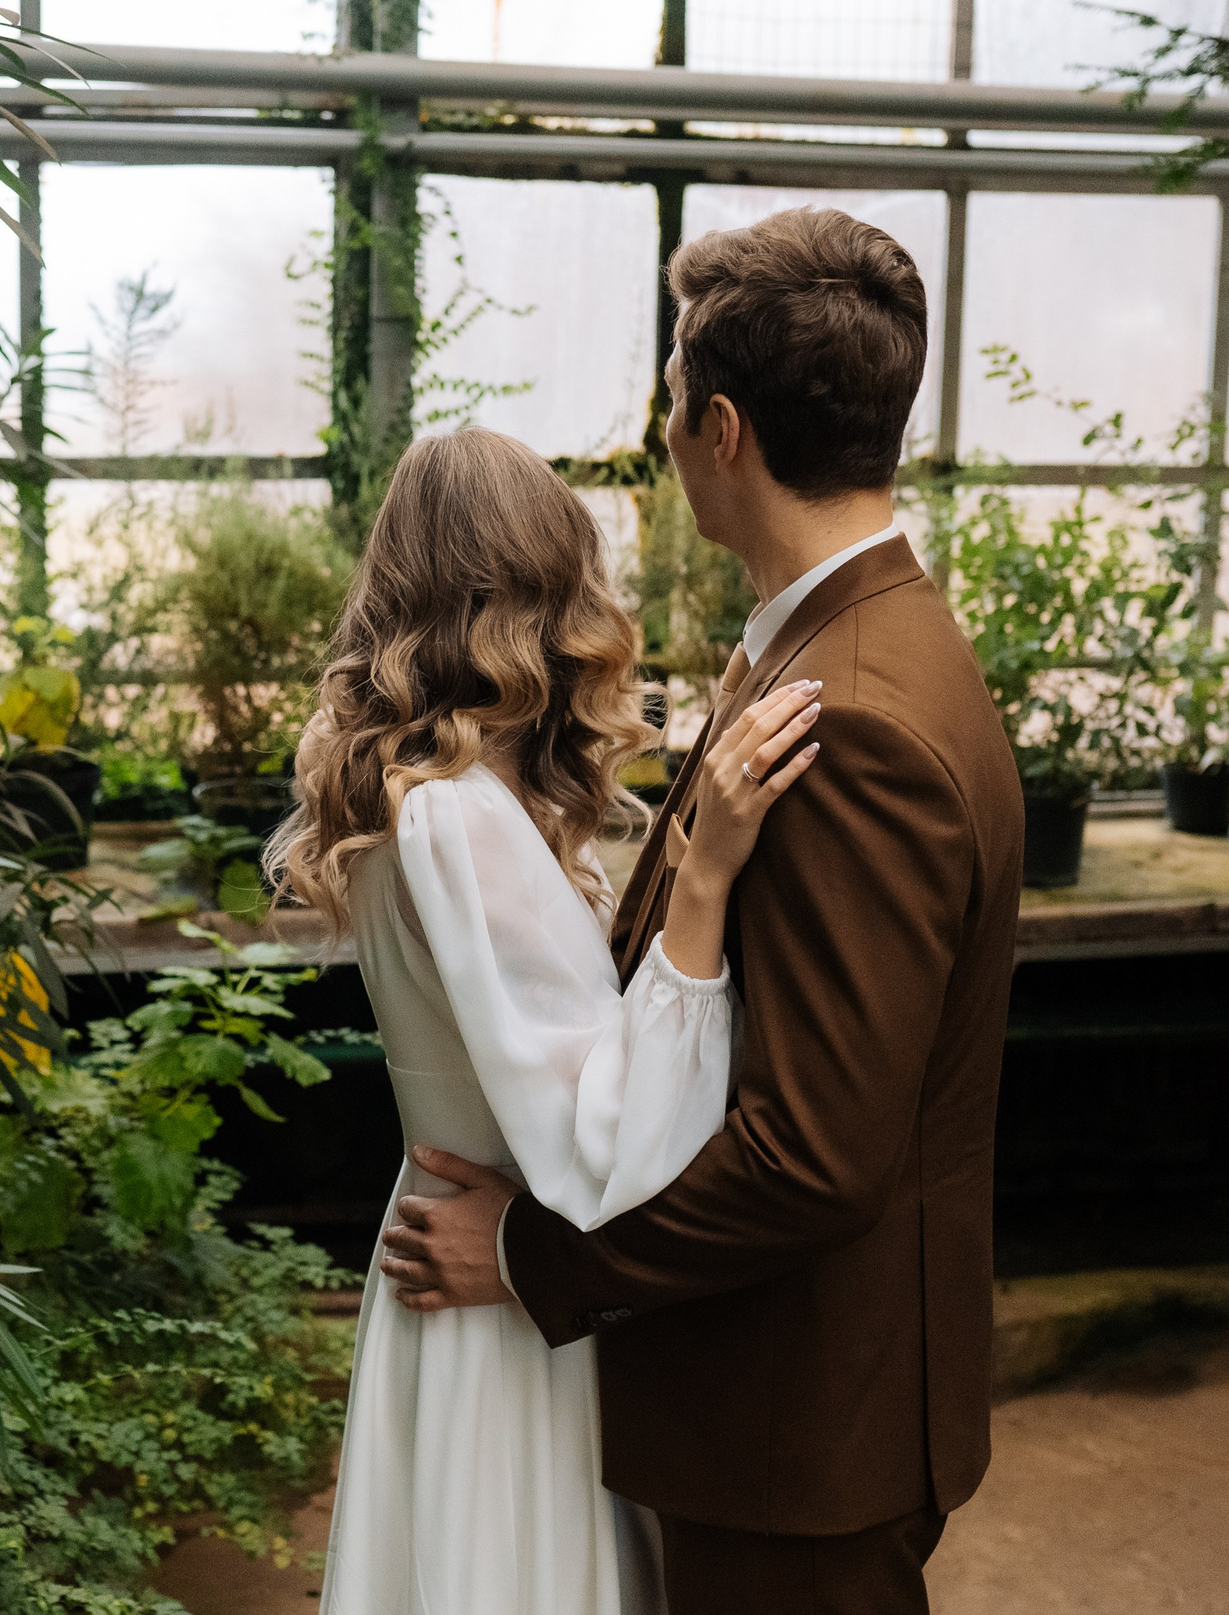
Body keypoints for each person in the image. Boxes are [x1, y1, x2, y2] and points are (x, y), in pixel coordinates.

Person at [373, 206, 1023, 1615]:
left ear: (718, 427)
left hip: (795, 1423)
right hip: (773, 1403)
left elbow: (813, 1153)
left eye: (670, 397)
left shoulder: (856, 720)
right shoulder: (834, 645)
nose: (664, 434)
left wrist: (537, 1257)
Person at [271, 422, 826, 1615]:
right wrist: (712, 876)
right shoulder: (461, 818)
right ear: (539, 594)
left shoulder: (400, 797)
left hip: (453, 1255)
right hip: (509, 1289)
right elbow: (610, 1142)